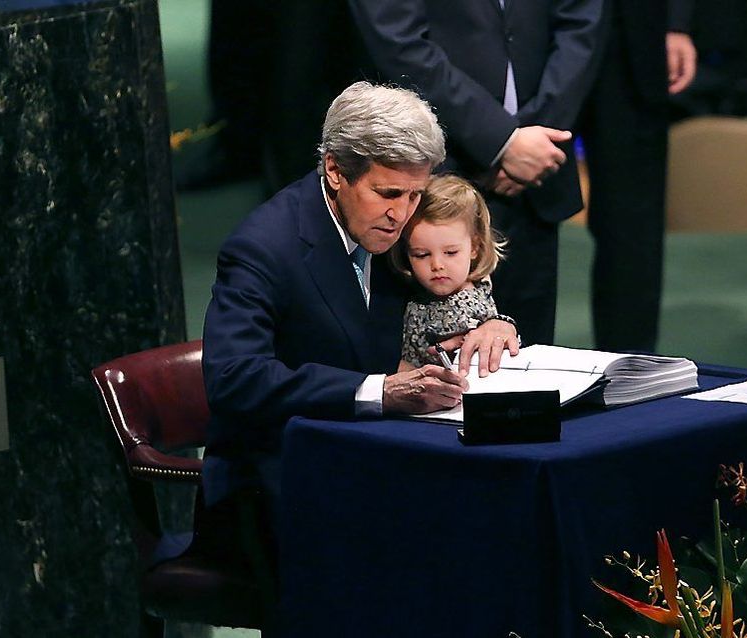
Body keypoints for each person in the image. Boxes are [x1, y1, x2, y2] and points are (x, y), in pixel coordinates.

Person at [201, 81, 520, 525]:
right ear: (335, 170)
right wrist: (378, 391)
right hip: (283, 478)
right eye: (389, 194)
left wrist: (492, 323)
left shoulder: (397, 223)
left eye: (415, 195)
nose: (404, 213)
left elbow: (445, 293)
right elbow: (235, 378)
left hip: (382, 455)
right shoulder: (263, 247)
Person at [347, 0, 605, 345]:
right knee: (435, 375)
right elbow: (398, 39)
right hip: (435, 170)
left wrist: (536, 138)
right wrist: (502, 140)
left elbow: (582, 21)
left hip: (538, 171)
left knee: (531, 362)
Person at [579, 0, 696, 352]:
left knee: (631, 220)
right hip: (524, 28)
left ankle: (631, 367)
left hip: (631, 28)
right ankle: (510, 365)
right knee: (517, 198)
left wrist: (675, 22)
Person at [391, 175, 517, 374]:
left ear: (474, 247)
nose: (437, 265)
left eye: (450, 253)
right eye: (421, 255)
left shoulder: (473, 306)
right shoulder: (405, 294)